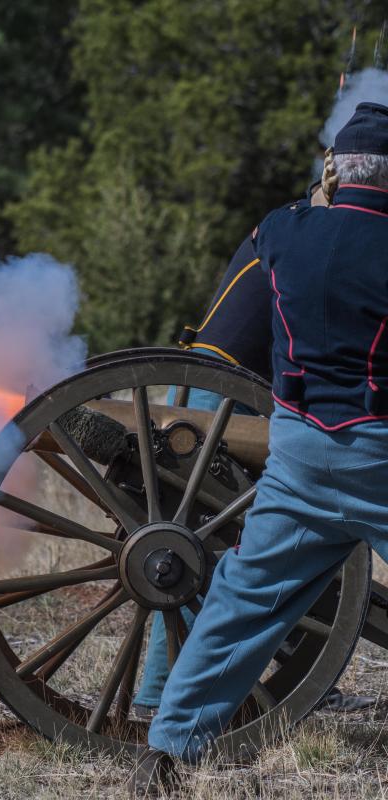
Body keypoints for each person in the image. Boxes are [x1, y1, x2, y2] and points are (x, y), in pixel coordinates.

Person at [131, 101, 388, 796]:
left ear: (338, 170)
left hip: (301, 456)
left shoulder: (283, 231)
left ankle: (168, 749)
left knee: (241, 603)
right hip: (379, 455)